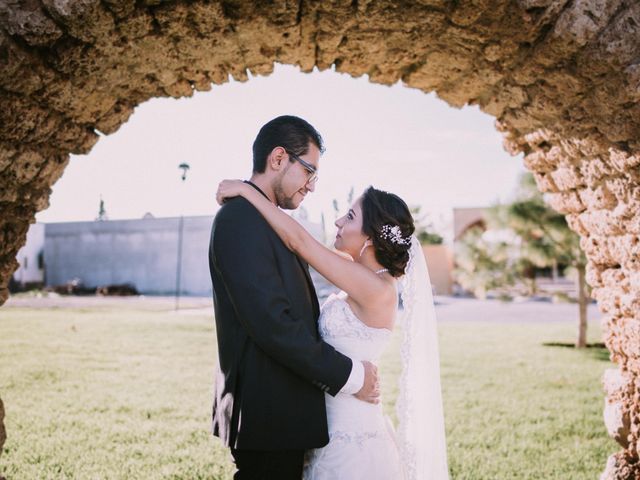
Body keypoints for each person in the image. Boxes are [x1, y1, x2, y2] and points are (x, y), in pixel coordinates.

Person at [216, 179, 450, 479]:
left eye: (350, 217)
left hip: (350, 437)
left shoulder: (377, 288)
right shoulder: (361, 274)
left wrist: (248, 192)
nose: (339, 220)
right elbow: (300, 244)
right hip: (327, 423)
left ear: (371, 236)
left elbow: (300, 243)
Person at [208, 115, 380, 480]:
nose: (312, 186)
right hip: (266, 415)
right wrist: (351, 376)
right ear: (278, 159)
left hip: (286, 415)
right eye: (309, 172)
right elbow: (273, 325)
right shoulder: (239, 221)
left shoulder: (264, 219)